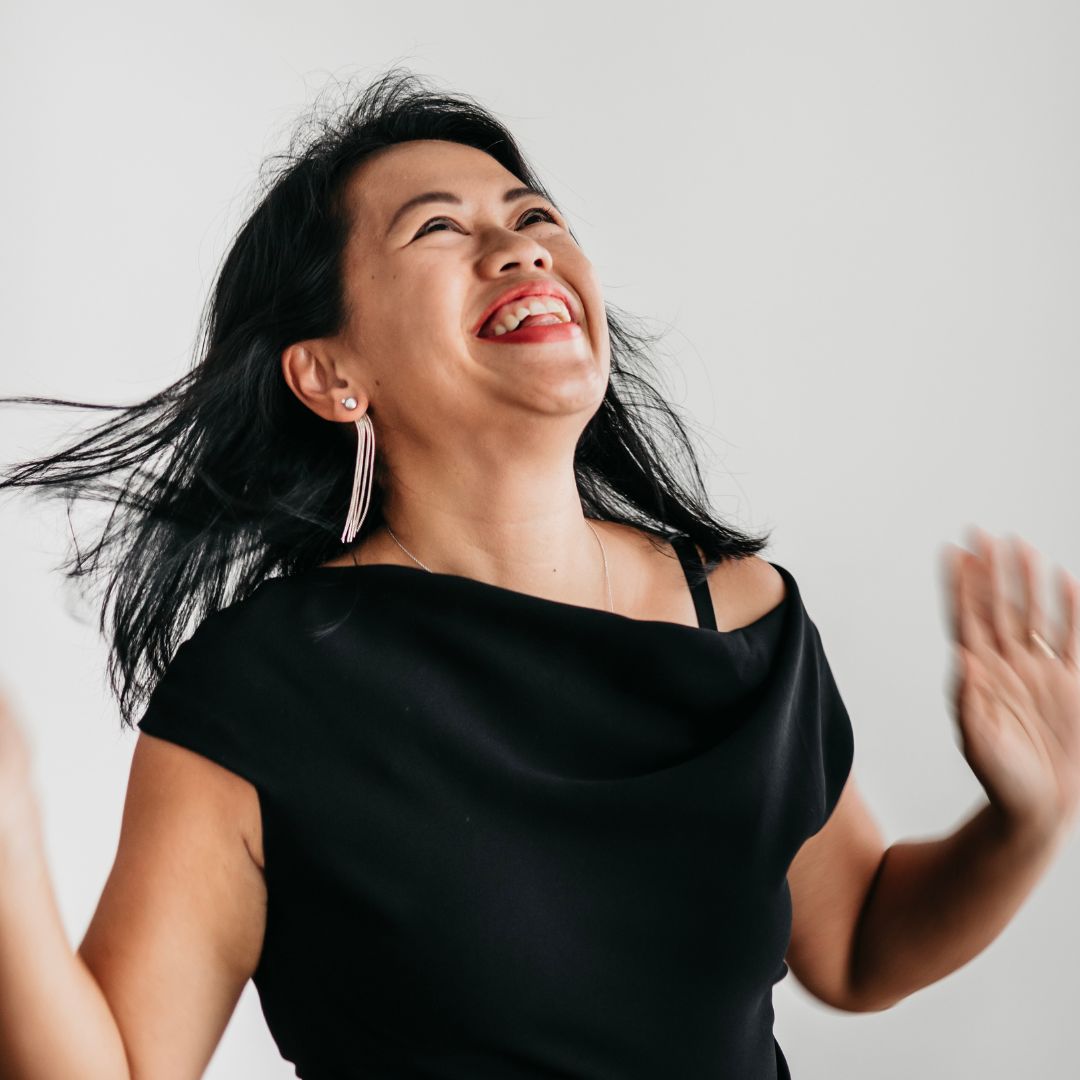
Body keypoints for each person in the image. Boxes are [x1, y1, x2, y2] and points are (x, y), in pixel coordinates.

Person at [2, 68, 1077, 1080]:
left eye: (533, 217)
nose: (521, 250)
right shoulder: (260, 693)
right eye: (440, 228)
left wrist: (1023, 822)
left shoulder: (742, 618)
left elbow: (857, 945)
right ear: (332, 375)